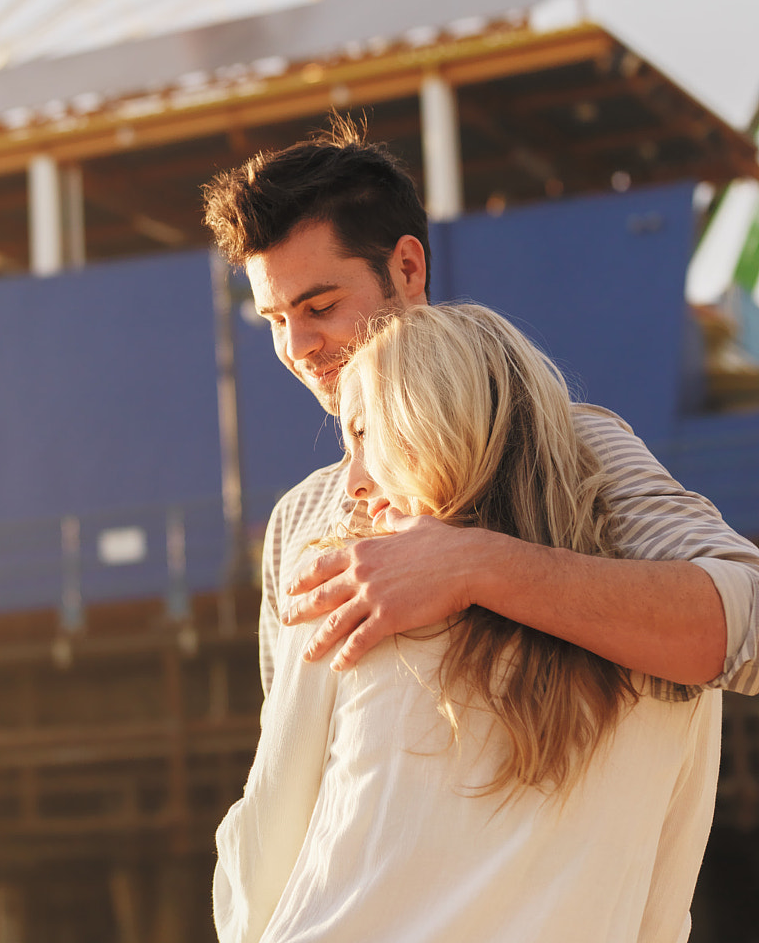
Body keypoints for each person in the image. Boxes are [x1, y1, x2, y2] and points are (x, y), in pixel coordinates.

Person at [211, 302, 721, 942]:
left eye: (365, 434)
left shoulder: (356, 598)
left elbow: (259, 872)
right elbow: (663, 909)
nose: (355, 486)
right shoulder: (672, 652)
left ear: (428, 426)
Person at [202, 122, 759, 704]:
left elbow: (749, 623)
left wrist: (473, 567)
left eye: (320, 305)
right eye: (273, 320)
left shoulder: (571, 442)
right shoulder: (295, 520)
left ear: (408, 269)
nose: (295, 347)